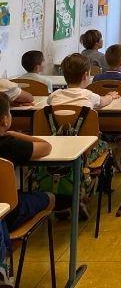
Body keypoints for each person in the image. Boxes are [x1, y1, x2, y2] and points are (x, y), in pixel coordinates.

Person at [0, 92, 55, 271]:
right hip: (10, 214)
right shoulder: (9, 144)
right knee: (50, 198)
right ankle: (9, 250)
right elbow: (46, 146)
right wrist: (16, 134)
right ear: (5, 120)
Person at [48, 53, 119, 109]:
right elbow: (104, 101)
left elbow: (48, 103)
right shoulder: (89, 96)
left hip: (57, 127)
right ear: (85, 75)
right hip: (83, 127)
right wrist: (111, 96)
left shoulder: (54, 95)